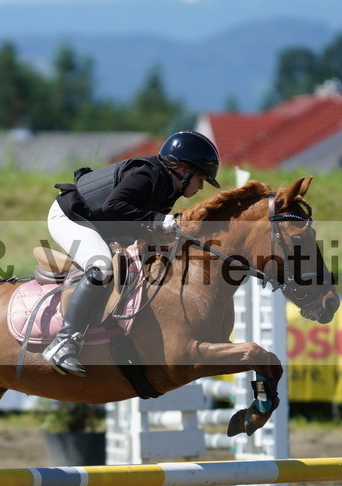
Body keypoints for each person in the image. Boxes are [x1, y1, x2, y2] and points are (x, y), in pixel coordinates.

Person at [43, 130, 221, 376]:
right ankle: (64, 343)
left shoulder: (170, 188)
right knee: (102, 266)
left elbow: (136, 222)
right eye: (201, 178)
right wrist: (160, 220)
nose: (201, 186)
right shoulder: (147, 174)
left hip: (102, 222)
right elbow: (114, 206)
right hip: (71, 217)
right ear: (183, 170)